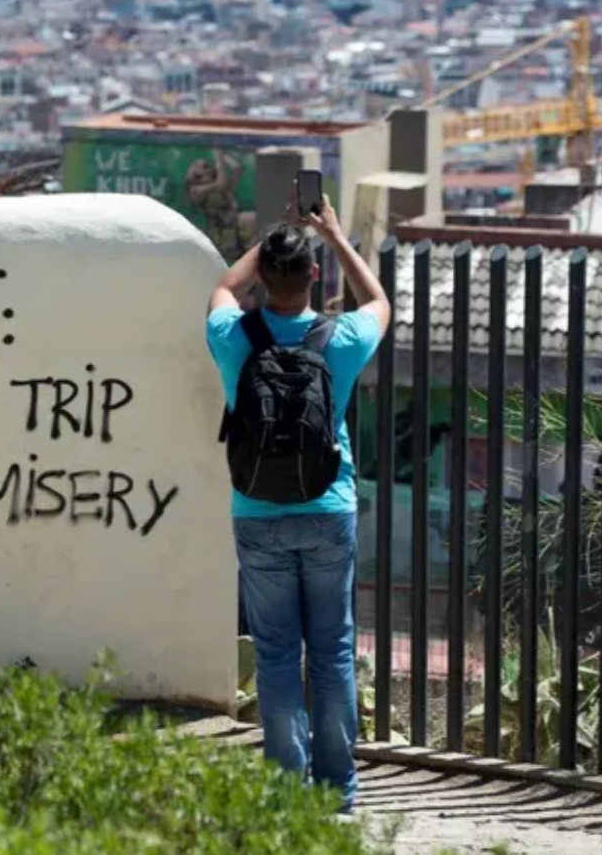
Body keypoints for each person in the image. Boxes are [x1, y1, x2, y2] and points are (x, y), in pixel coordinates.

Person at [203, 193, 390, 814]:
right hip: (328, 506)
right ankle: (337, 793)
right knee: (332, 650)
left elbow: (225, 286)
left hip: (256, 511)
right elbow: (380, 303)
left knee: (278, 654)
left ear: (267, 277)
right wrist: (333, 236)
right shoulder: (340, 339)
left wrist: (277, 232)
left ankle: (286, 791)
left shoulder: (234, 336)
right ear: (313, 276)